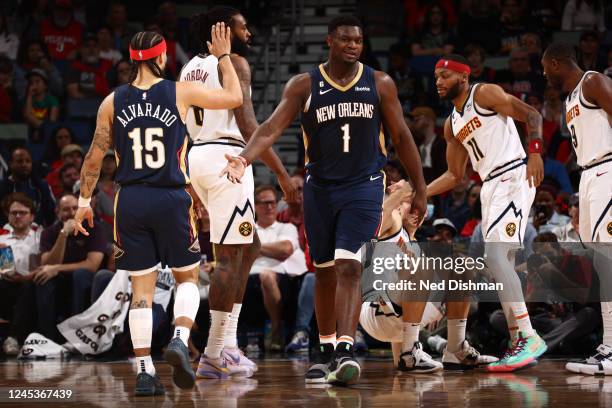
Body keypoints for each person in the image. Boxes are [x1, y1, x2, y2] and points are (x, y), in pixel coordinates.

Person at [221, 15, 427, 386]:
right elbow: (270, 128)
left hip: (364, 186)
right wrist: (243, 158)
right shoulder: (304, 85)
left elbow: (401, 135)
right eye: (346, 40)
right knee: (325, 271)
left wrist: (421, 187)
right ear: (330, 41)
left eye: (359, 41)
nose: (353, 46)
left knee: (349, 266)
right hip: (320, 188)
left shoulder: (379, 83)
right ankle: (328, 350)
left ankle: (346, 350)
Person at [73, 25, 242, 396]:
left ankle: (145, 372)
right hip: (171, 197)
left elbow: (93, 158)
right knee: (186, 279)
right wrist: (224, 56)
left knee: (141, 292)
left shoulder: (112, 101)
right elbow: (234, 97)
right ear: (162, 57)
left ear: (132, 61)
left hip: (130, 200)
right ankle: (180, 338)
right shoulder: (180, 91)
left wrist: (83, 204)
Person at [182, 7, 296, 379]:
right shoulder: (234, 64)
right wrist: (280, 172)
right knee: (230, 257)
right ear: (223, 30)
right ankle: (214, 353)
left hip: (198, 156)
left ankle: (226, 345)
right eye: (242, 26)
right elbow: (249, 123)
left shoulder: (187, 69)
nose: (248, 31)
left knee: (249, 247)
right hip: (226, 157)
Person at [421, 53, 547, 372]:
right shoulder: (452, 124)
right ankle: (520, 340)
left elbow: (532, 114)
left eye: (445, 76)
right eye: (435, 76)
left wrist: (534, 152)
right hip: (489, 185)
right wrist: (418, 190)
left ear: (463, 77)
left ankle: (529, 337)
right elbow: (454, 175)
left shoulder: (484, 93)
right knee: (497, 261)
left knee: (495, 255)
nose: (438, 81)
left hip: (513, 174)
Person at [542, 42, 612, 375]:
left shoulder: (593, 82)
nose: (543, 74)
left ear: (557, 63)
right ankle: (608, 345)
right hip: (589, 176)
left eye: (545, 68)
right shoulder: (570, 100)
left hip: (607, 170)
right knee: (602, 262)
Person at [0, 193, 42, 355]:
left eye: (22, 213)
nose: (18, 216)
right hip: (5, 284)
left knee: (28, 287)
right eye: (13, 213)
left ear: (31, 216)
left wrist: (26, 277)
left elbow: (46, 265)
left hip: (30, 284)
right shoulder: (1, 239)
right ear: (7, 215)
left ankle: (13, 337)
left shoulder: (39, 238)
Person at [0, 148, 56, 227]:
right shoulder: (2, 187)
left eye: (28, 161)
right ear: (10, 163)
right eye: (19, 161)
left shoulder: (41, 186)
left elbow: (51, 214)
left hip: (36, 234)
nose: (24, 164)